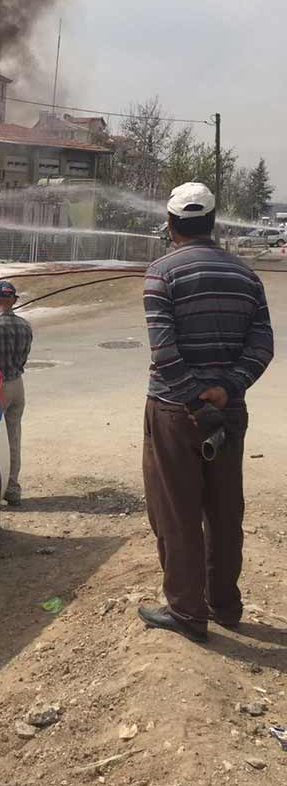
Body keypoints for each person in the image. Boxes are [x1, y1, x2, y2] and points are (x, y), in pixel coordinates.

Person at [139, 182, 273, 643]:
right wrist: (227, 389)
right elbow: (263, 346)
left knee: (176, 512)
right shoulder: (246, 276)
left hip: (176, 414)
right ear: (213, 223)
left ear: (172, 224)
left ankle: (187, 612)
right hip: (228, 414)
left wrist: (195, 401)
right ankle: (225, 605)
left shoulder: (161, 273)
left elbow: (164, 351)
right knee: (223, 509)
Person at [0, 280, 33, 506]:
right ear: (13, 301)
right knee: (13, 436)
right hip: (17, 384)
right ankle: (12, 488)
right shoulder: (25, 326)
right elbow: (24, 359)